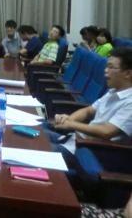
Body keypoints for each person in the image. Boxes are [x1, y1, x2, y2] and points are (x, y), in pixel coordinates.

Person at [44, 47, 132, 177]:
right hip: (74, 139)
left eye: (111, 67)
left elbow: (106, 131)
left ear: (128, 73)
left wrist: (71, 125)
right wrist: (68, 119)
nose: (105, 71)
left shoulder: (130, 102)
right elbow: (88, 111)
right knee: (35, 129)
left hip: (88, 152)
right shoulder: (113, 91)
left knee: (34, 148)